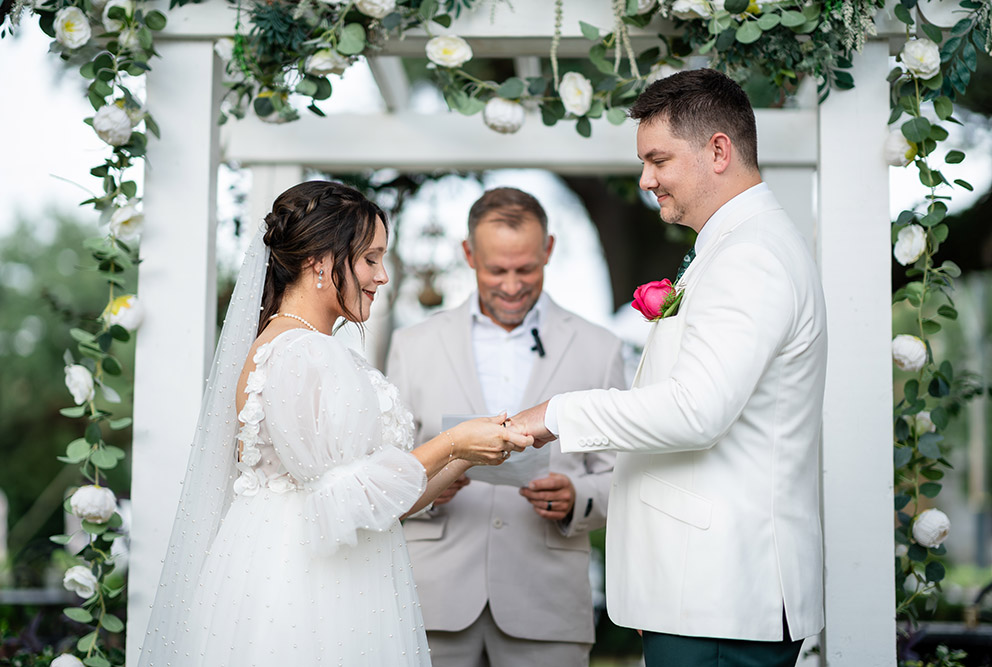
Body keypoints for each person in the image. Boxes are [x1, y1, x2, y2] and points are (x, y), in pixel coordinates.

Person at [136, 181, 532, 666]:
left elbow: (378, 501)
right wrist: (452, 439)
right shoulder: (299, 352)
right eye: (370, 259)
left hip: (338, 566)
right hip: (303, 585)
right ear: (319, 260)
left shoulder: (314, 348)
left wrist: (467, 451)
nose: (382, 276)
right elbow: (345, 495)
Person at [510, 69, 828, 667]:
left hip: (722, 594)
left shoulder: (751, 255)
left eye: (658, 160)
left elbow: (695, 410)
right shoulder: (735, 245)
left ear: (717, 150)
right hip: (704, 592)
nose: (645, 178)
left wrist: (556, 413)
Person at [386, 187, 625, 666]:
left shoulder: (600, 348)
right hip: (431, 599)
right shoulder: (413, 345)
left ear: (549, 251)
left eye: (526, 269)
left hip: (547, 603)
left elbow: (626, 472)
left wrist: (579, 497)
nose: (512, 285)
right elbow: (383, 465)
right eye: (497, 270)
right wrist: (426, 485)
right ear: (468, 254)